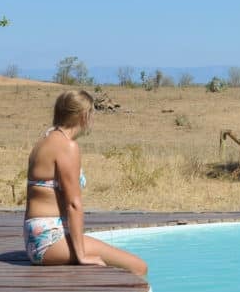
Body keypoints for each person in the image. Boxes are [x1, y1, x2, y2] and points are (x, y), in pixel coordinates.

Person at [23, 90, 148, 277]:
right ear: (83, 116)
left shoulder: (45, 139)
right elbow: (73, 204)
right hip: (50, 239)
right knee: (138, 267)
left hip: (36, 237)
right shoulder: (67, 147)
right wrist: (81, 255)